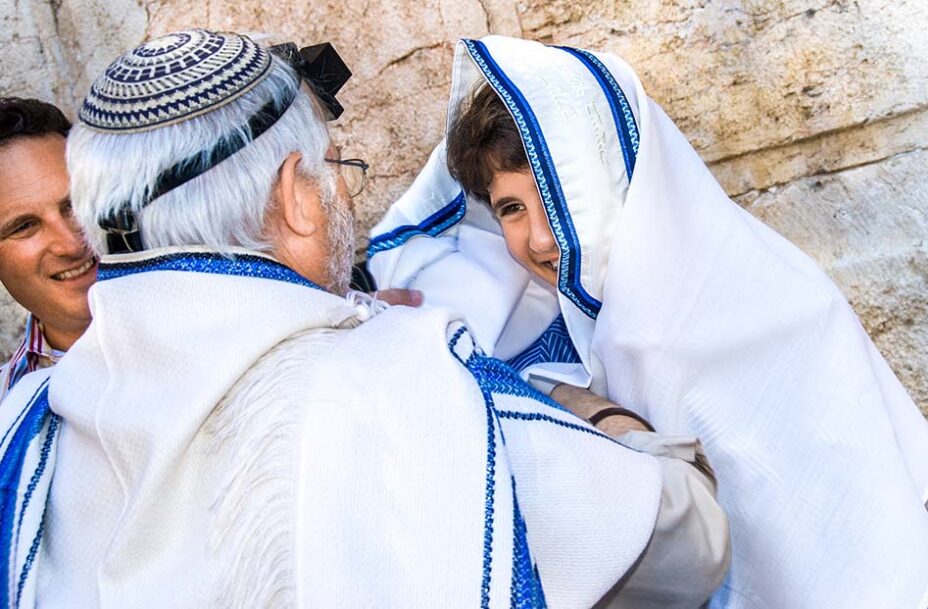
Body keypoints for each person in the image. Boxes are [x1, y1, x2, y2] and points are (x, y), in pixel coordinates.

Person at [0, 29, 727, 608]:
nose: (341, 196)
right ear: (294, 196)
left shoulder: (29, 430)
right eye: (333, 168)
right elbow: (683, 547)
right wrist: (596, 415)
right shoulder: (411, 378)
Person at [368, 35, 928, 608]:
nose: (540, 239)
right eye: (511, 209)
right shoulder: (549, 328)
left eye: (558, 195)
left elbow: (844, 536)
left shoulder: (782, 310)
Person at [0, 98, 96, 400]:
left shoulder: (222, 327)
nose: (70, 243)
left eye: (74, 204)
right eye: (24, 226)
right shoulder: (7, 418)